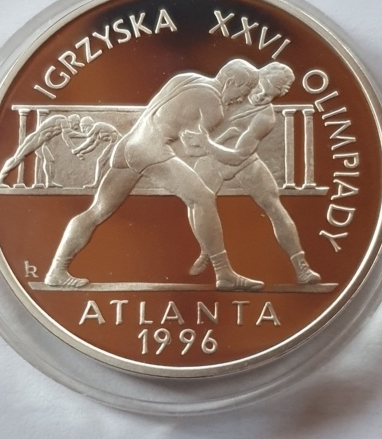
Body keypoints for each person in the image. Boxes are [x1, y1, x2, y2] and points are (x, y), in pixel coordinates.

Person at [45, 59, 265, 290]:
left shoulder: (185, 78)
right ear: (231, 82)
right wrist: (225, 144)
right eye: (244, 91)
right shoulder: (213, 106)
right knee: (202, 197)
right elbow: (192, 148)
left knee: (97, 211)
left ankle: (55, 271)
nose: (241, 99)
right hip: (150, 150)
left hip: (127, 147)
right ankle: (224, 273)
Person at [186, 61, 321, 284]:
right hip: (208, 161)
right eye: (261, 89)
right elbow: (192, 140)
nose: (261, 97)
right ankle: (208, 251)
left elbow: (239, 155)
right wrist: (215, 140)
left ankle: (302, 268)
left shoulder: (265, 117)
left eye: (270, 96)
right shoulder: (227, 89)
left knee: (274, 205)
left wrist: (208, 143)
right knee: (198, 203)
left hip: (242, 161)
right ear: (255, 78)